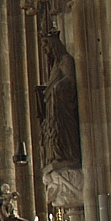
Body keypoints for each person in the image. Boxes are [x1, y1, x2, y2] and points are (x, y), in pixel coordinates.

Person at [38, 32, 80, 168]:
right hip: (52, 108)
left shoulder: (65, 60)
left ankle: (67, 155)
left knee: (64, 135)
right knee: (54, 136)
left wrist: (56, 88)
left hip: (62, 108)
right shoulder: (56, 65)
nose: (45, 50)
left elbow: (70, 81)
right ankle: (56, 156)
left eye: (46, 46)